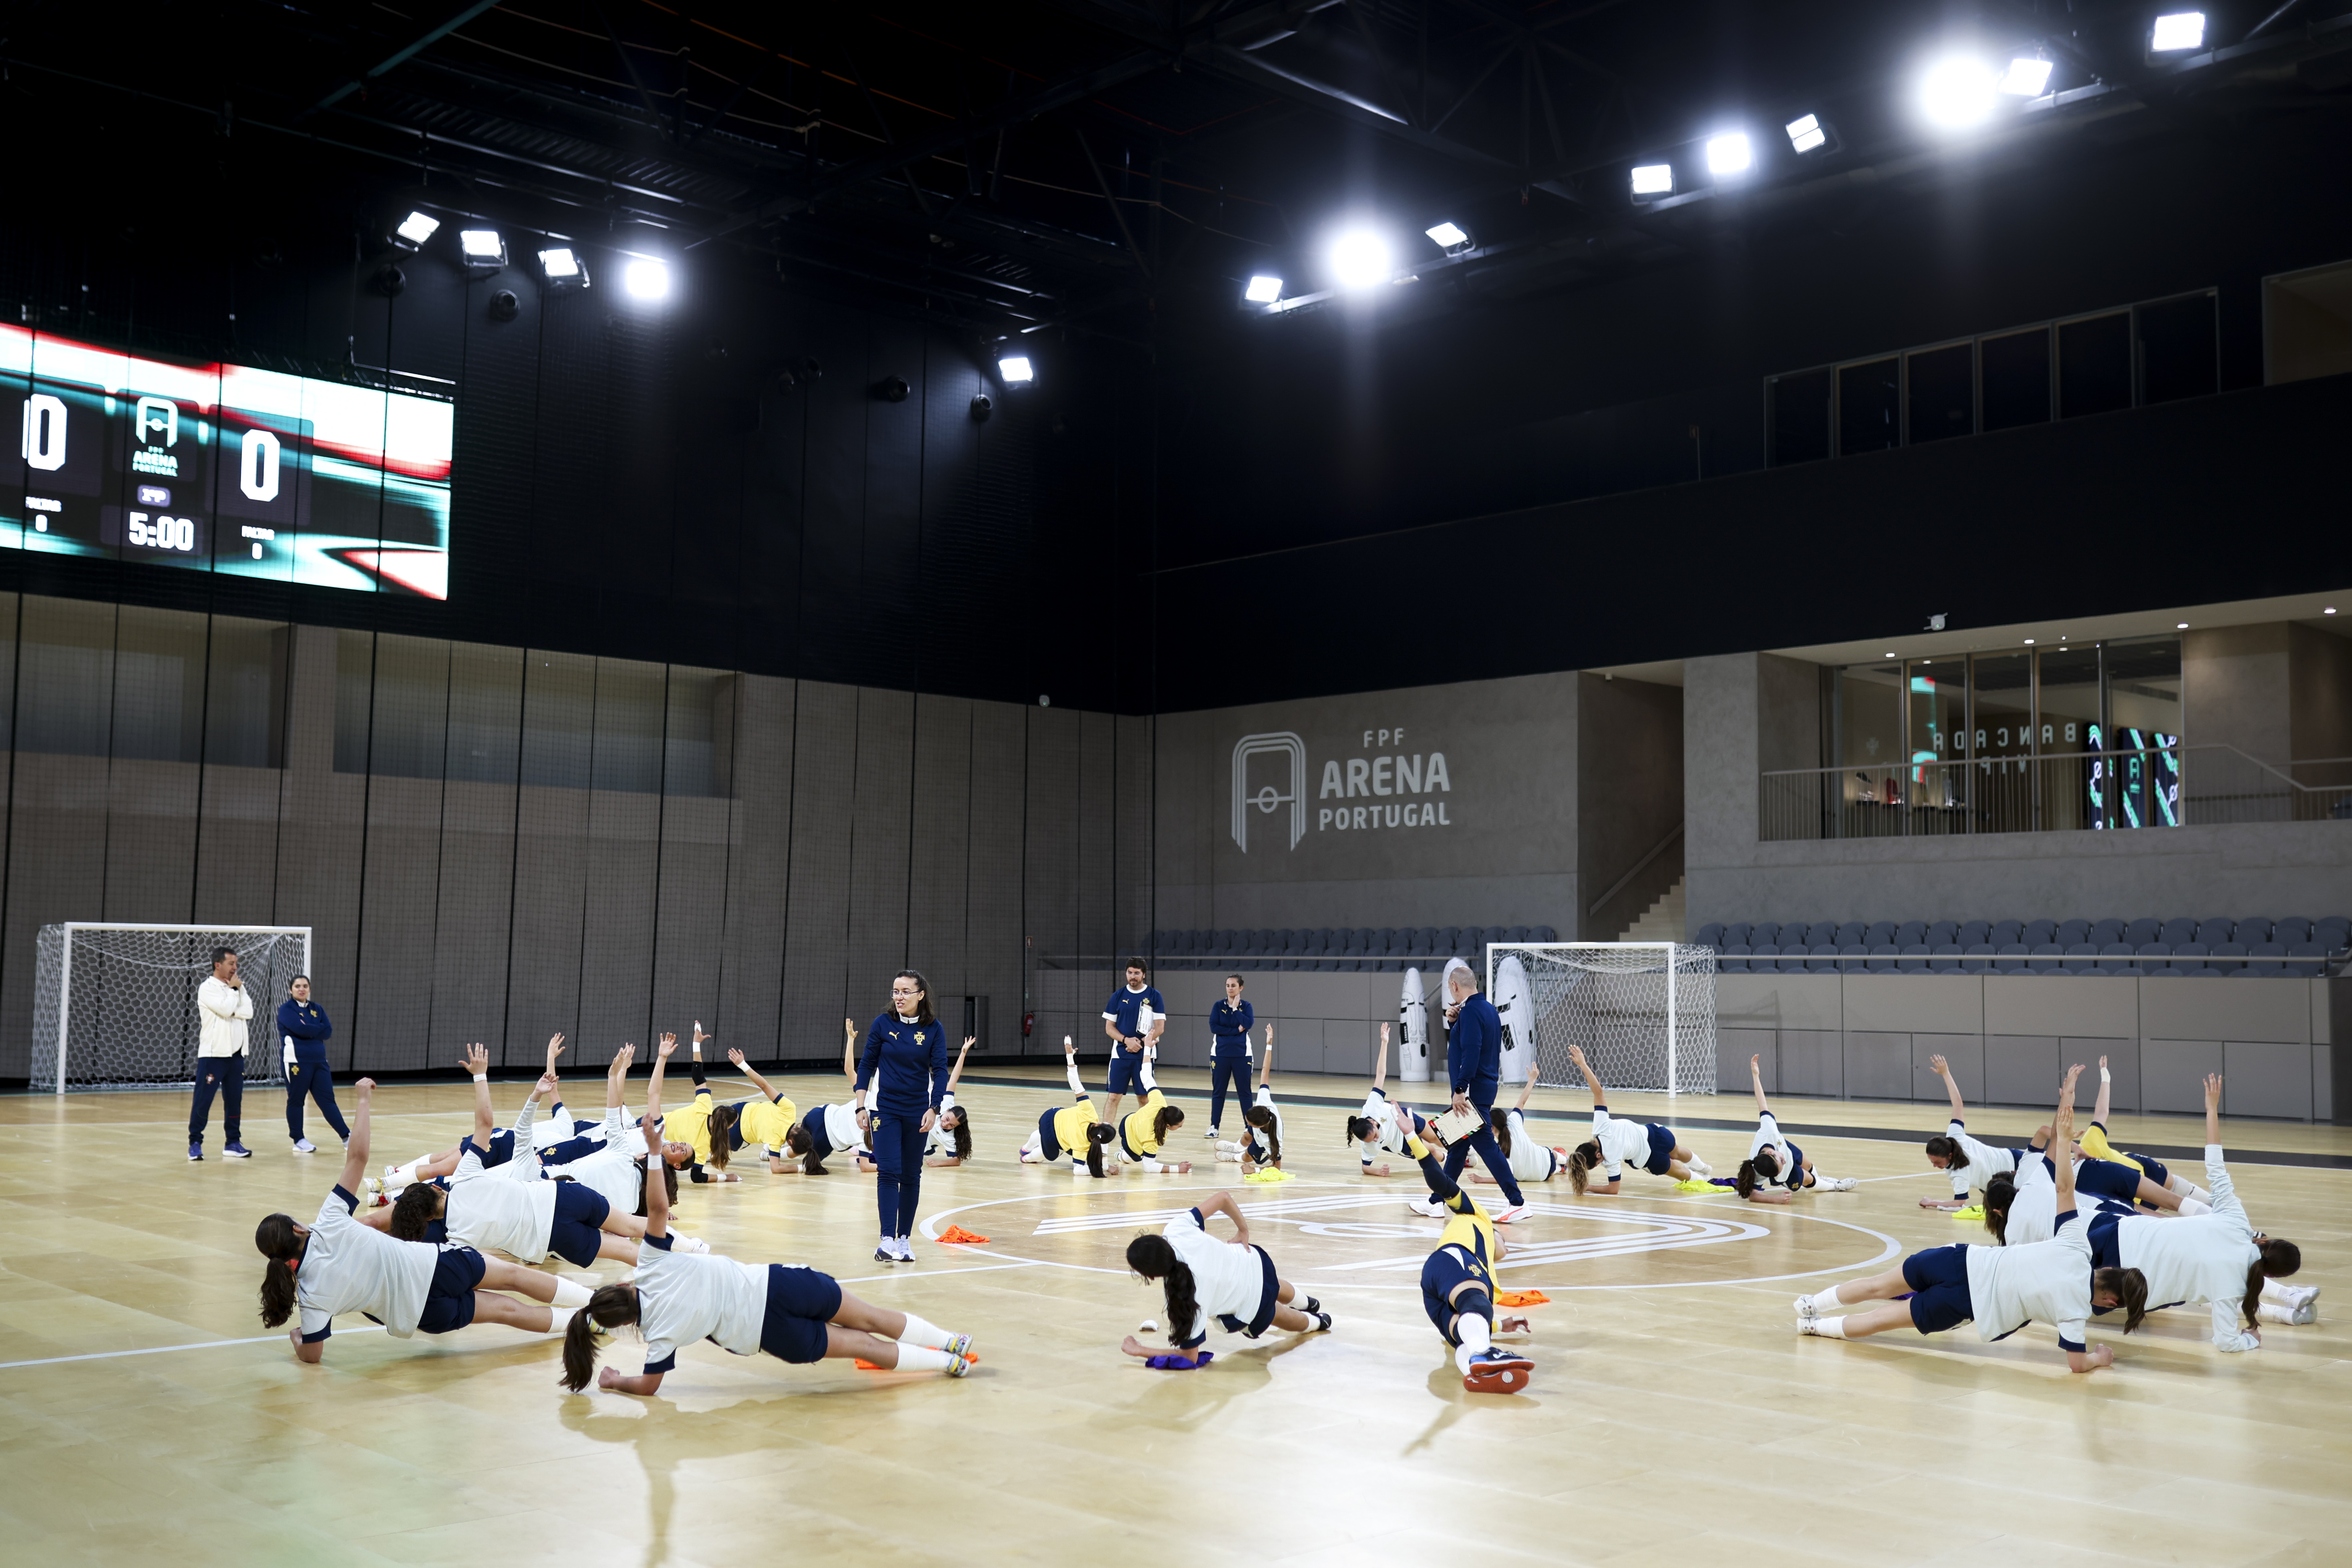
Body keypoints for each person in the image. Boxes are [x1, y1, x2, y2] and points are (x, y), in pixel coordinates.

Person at [559, 1111, 975, 1393]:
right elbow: (656, 1209)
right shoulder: (648, 1267)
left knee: (863, 1346)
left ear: (627, 1323)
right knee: (872, 1318)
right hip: (778, 1287)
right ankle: (950, 1341)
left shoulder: (657, 1338)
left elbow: (649, 1387)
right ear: (621, 1284)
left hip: (770, 1335)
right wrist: (653, 1152)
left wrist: (615, 1381)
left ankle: (947, 1365)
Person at [1794, 1068, 2130, 1373]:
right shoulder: (2074, 1309)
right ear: (2110, 1302)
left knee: (1875, 1285)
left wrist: (2067, 1107)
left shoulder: (2067, 1237)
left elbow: (2060, 1173)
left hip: (1958, 1259)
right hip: (1965, 1302)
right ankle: (1813, 1327)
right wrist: (2100, 1357)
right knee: (1881, 1319)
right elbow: (2076, 1363)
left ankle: (1811, 1302)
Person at [254, 1075, 592, 1363]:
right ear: (299, 1227)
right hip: (436, 1266)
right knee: (516, 1277)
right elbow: (357, 1156)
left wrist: (298, 1338)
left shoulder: (310, 1295)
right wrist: (362, 1100)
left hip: (423, 1315)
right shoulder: (328, 1221)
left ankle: (588, 1324)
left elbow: (312, 1354)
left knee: (508, 1312)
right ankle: (596, 1304)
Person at [2087, 1073, 2311, 1348]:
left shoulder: (2236, 1221)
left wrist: (2211, 1109)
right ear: (2271, 1276)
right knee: (2068, 1293)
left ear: (2264, 1240)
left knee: (2054, 1254)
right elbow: (2226, 1343)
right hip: (2131, 1287)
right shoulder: (2233, 1287)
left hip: (2123, 1235)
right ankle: (2287, 1308)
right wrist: (2249, 1339)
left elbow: (2215, 1166)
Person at [387, 1045, 650, 1267]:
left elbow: (522, 1130)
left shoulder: (459, 1235)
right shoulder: (571, 1138)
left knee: (442, 1162)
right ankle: (689, 1250)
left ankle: (387, 1189)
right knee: (443, 1162)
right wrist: (485, 1077)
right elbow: (503, 1126)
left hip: (543, 1219)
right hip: (549, 1188)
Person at [1398, 1110, 1535, 1392]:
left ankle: (1476, 1373)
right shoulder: (1478, 1216)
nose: (1504, 1249)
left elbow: (1472, 1318)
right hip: (1452, 1258)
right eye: (1504, 1242)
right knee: (1478, 1302)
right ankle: (1483, 1354)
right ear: (1495, 1234)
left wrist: (1500, 1325)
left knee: (1466, 1334)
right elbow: (1440, 1180)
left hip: (1437, 1278)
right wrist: (1412, 1136)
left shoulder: (1484, 1264)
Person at [1120, 1190, 1331, 1368]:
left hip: (1251, 1304)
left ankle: (1317, 1323)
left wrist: (1139, 1350)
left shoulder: (1183, 1297)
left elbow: (1189, 1357)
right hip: (1253, 1262)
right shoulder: (1175, 1230)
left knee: (1277, 1311)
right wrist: (1243, 1229)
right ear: (1160, 1240)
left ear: (1151, 1276)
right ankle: (1307, 1302)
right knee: (1272, 1283)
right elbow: (1223, 1198)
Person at [1410, 966, 1527, 1223]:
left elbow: (1472, 1051)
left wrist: (1460, 1089)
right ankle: (1436, 1201)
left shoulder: (1473, 1011)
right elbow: (1474, 1044)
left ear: (1454, 986)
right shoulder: (1486, 1009)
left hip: (1471, 1091)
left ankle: (1517, 1202)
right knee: (1458, 1147)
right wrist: (1456, 1023)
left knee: (1485, 1147)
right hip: (1482, 1088)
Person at [854, 970, 955, 1263]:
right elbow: (867, 1065)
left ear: (920, 995)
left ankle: (903, 1240)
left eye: (905, 991)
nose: (898, 997)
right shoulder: (882, 1024)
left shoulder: (934, 1029)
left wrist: (934, 1108)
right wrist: (861, 1106)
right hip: (884, 1109)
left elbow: (939, 1071)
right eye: (895, 991)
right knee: (888, 1171)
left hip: (917, 1111)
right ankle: (886, 1239)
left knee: (911, 1175)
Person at [1560, 1043, 1718, 1196]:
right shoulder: (1600, 1128)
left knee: (1678, 1172)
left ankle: (1708, 1181)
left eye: (1597, 1164)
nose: (1600, 1164)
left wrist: (1588, 1188)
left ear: (1599, 1156)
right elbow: (1599, 1092)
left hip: (1651, 1160)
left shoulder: (1610, 1159)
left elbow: (1613, 1190)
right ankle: (1705, 1168)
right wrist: (1583, 1064)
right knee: (1678, 1152)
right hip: (1657, 1134)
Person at [1729, 1053, 1854, 1200]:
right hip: (1787, 1172)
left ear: (1771, 1153)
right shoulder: (1760, 1170)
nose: (1785, 1161)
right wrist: (1776, 1200)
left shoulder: (1768, 1131)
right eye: (1782, 1164)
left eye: (1781, 1161)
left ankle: (1821, 1179)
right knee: (1809, 1179)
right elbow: (1752, 1196)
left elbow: (1762, 1104)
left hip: (1783, 1145)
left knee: (1808, 1164)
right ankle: (1835, 1187)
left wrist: (1755, 1075)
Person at [1918, 1052, 2034, 1210]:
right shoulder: (1954, 1136)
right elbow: (1958, 1105)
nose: (1935, 1166)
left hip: (2014, 1172)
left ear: (1950, 1155)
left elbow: (1959, 1204)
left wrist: (1931, 1202)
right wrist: (1945, 1073)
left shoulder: (1960, 1173)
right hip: (2011, 1163)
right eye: (1932, 1162)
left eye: (1937, 1162)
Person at [771, 1023, 875, 1175]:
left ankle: (770, 1150)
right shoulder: (874, 1130)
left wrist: (851, 1039)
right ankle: (770, 1155)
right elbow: (865, 1167)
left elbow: (848, 1069)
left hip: (819, 1115)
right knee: (800, 1151)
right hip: (826, 1142)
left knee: (799, 1144)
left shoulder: (867, 1096)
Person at [190, 946, 256, 1161]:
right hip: (213, 1055)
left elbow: (249, 1012)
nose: (235, 968)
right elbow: (228, 1010)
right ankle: (195, 1143)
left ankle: (233, 1143)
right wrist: (234, 993)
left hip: (236, 1056)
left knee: (235, 1100)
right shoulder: (207, 988)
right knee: (204, 1100)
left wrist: (235, 999)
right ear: (218, 965)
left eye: (236, 964)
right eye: (231, 964)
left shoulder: (238, 987)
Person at [1347, 1022, 1436, 1177]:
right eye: (1372, 1141)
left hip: (1404, 1118)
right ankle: (1454, 1160)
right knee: (1432, 1151)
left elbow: (1381, 1074)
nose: (1376, 1141)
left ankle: (1464, 1151)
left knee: (1436, 1137)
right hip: (1401, 1143)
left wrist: (1384, 1043)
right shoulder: (1368, 1144)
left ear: (1373, 1123)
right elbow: (1365, 1168)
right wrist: (1378, 1172)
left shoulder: (1372, 1105)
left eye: (1375, 1136)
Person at [1086, 1055, 1193, 1175]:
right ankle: (1121, 1155)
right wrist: (1177, 1169)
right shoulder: (1155, 1138)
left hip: (1127, 1121)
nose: (1181, 1127)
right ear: (1168, 1125)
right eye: (1179, 1126)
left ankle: (1124, 1154)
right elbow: (1148, 1167)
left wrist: (1147, 1048)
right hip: (1130, 1139)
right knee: (1135, 1158)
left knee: (1140, 1154)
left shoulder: (1160, 1101)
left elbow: (1146, 1076)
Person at [277, 975, 347, 1154]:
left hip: (319, 1062)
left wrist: (310, 1027)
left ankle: (347, 1137)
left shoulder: (317, 1008)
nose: (302, 989)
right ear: (290, 990)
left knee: (327, 1100)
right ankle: (299, 1139)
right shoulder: (286, 1010)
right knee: (297, 1100)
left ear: (309, 989)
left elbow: (328, 1031)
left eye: (305, 986)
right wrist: (316, 1028)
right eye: (298, 986)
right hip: (296, 1062)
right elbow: (302, 1029)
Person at [1463, 1065, 1566, 1187]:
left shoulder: (1500, 1150)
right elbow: (1522, 1101)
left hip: (1543, 1176)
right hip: (1546, 1159)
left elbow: (1507, 1176)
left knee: (1551, 1166)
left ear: (1492, 1128)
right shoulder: (1513, 1121)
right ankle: (1566, 1160)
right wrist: (1532, 1080)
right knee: (1548, 1153)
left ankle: (1563, 1168)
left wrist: (1481, 1180)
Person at [1019, 1038, 1108, 1174]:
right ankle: (1026, 1158)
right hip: (1054, 1140)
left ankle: (1026, 1147)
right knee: (1052, 1153)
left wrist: (1070, 1057)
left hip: (1050, 1116)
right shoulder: (1083, 1146)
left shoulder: (1091, 1113)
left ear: (1098, 1124)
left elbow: (1076, 1085)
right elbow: (1078, 1171)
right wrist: (1105, 1168)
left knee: (1045, 1133)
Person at [1101, 957, 1164, 1121]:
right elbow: (1109, 1028)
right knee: (1114, 1097)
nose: (1133, 977)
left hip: (1144, 1057)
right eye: (1130, 973)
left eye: (1137, 973)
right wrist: (1126, 1041)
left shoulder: (1154, 996)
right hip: (1120, 1055)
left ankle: (1143, 1133)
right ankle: (1105, 1136)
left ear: (1144, 975)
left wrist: (1139, 1044)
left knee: (1144, 1098)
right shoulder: (1118, 996)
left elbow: (1159, 1028)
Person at [1213, 1027, 1283, 1173]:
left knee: (1248, 1156)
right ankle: (1235, 1147)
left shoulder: (1273, 1140)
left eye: (1250, 1123)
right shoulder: (1264, 1102)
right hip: (1260, 1127)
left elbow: (1277, 1168)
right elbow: (1265, 1070)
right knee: (1247, 1135)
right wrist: (1269, 1044)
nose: (1248, 1123)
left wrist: (1255, 1171)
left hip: (1264, 1140)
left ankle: (1236, 1156)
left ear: (1259, 1125)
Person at [1205, 974, 1255, 1141]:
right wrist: (1235, 1030)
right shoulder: (1218, 1006)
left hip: (1242, 1055)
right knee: (1219, 1092)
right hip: (1220, 1055)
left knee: (1245, 1093)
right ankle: (1214, 1127)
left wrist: (1235, 1010)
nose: (1230, 988)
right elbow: (1214, 1027)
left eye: (1233, 986)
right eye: (1228, 985)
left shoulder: (1246, 1006)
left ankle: (1250, 1127)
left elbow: (1248, 1024)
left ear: (1241, 988)